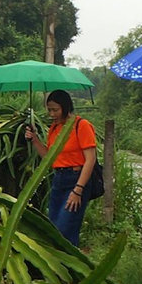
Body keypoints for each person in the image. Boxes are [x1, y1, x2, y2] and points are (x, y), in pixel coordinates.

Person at [29, 89, 97, 245]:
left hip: (76, 179)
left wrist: (78, 190)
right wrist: (34, 140)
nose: (52, 114)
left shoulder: (81, 125)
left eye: (56, 110)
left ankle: (71, 266)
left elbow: (90, 159)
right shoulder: (54, 128)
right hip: (59, 180)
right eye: (49, 110)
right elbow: (49, 158)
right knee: (53, 228)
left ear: (66, 107)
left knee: (65, 229)